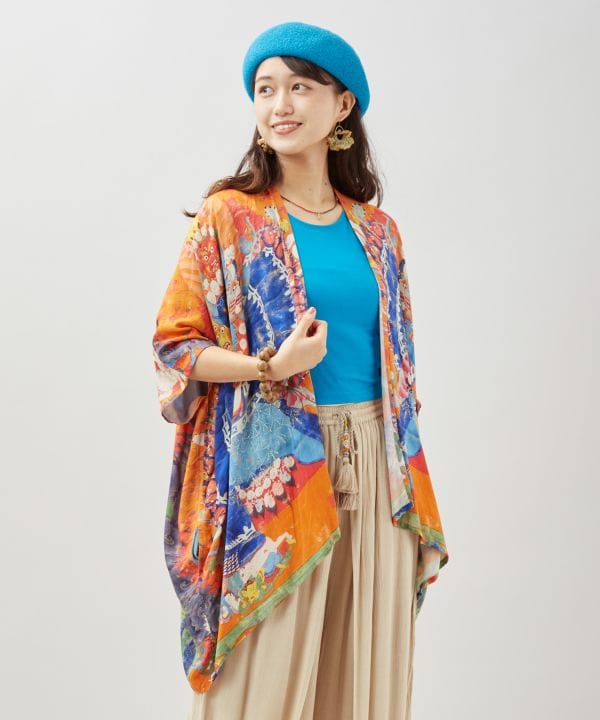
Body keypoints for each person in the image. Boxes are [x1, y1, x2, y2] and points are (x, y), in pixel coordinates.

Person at [152, 20, 449, 720]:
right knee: (262, 689)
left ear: (342, 105)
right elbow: (175, 347)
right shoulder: (230, 218)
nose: (280, 105)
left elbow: (400, 375)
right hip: (276, 474)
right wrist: (271, 365)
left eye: (300, 87)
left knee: (363, 682)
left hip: (378, 466)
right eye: (265, 90)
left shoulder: (378, 233)